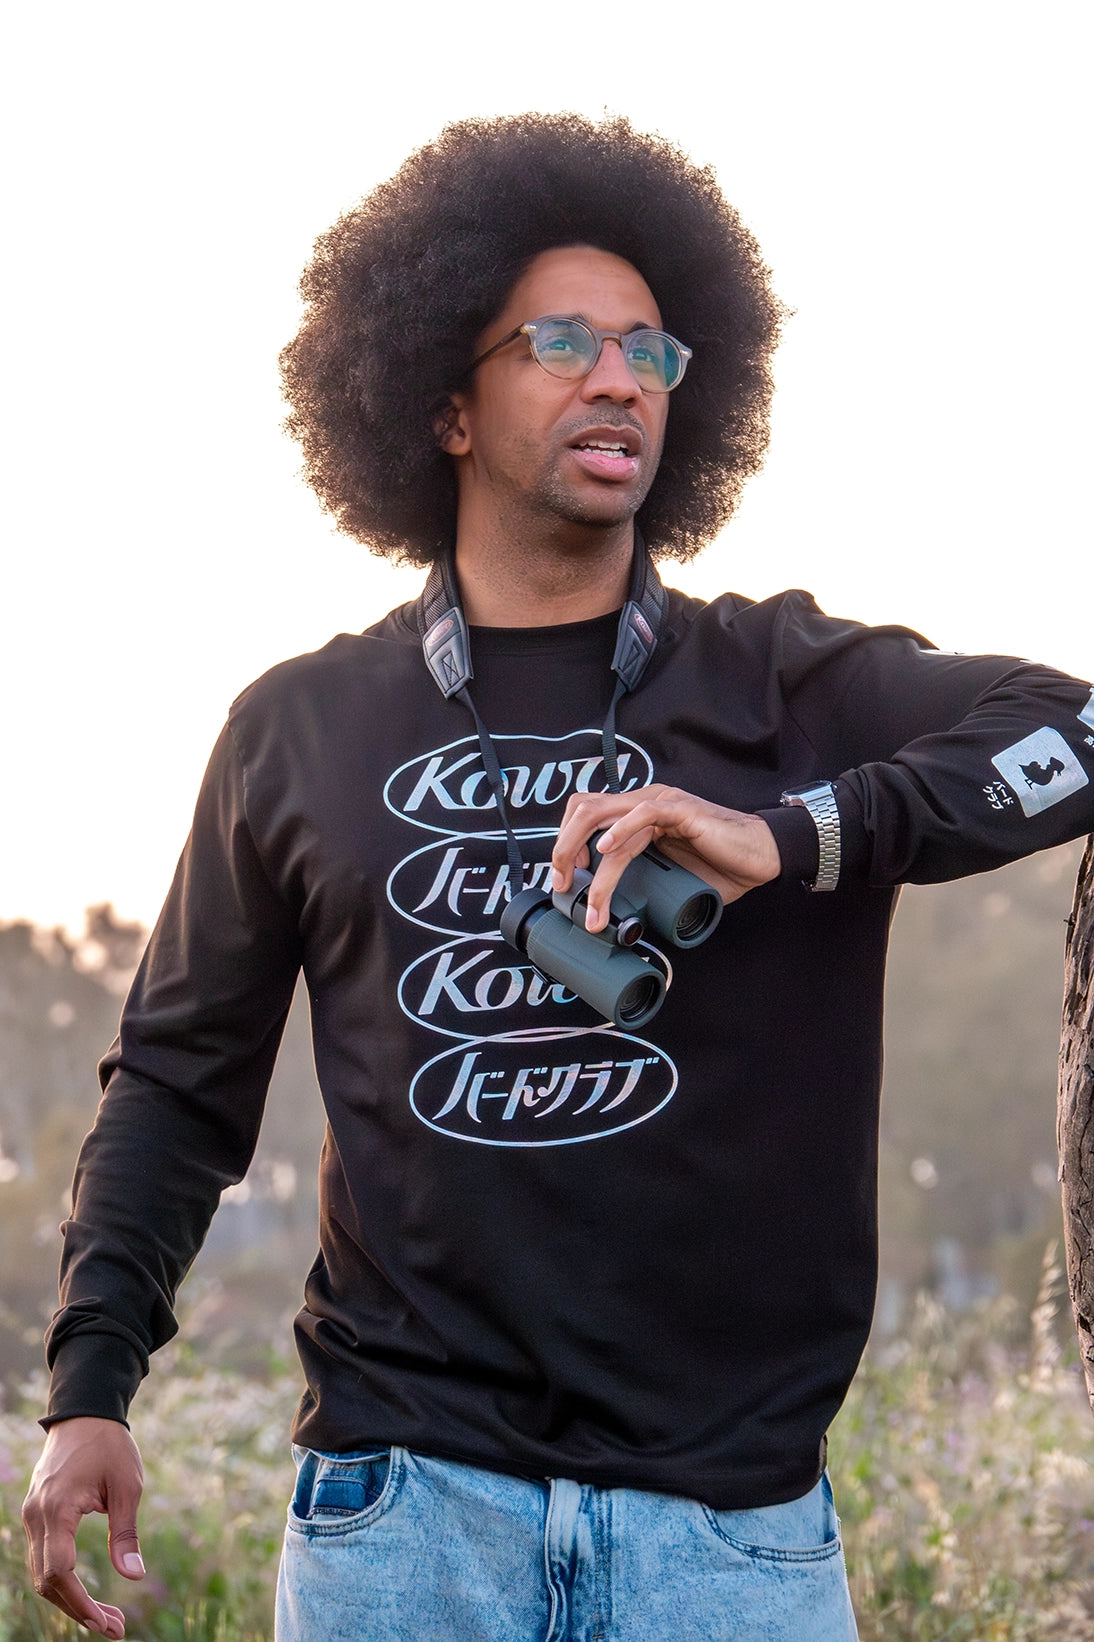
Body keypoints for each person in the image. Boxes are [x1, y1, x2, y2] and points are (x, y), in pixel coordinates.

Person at [23, 113, 1094, 1641]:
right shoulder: (297, 729)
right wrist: (89, 1387)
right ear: (441, 401)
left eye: (652, 353)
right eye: (563, 341)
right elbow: (179, 1086)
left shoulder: (782, 684)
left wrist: (790, 833)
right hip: (401, 1524)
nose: (619, 379)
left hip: (732, 1540)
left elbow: (1080, 723)